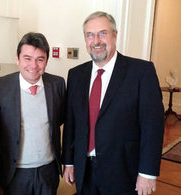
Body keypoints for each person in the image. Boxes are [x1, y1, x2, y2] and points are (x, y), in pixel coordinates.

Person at [62, 11, 164, 195]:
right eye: (90, 35)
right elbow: (71, 124)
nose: (96, 41)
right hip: (84, 170)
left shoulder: (141, 72)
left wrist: (147, 172)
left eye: (103, 33)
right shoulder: (76, 75)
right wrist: (69, 162)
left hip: (124, 172)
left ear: (115, 35)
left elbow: (153, 126)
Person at [0, 32, 66, 195]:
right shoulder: (0, 87)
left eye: (40, 59)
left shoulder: (57, 84)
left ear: (46, 61)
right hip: (15, 173)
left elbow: (60, 119)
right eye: (27, 58)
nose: (33, 65)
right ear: (17, 59)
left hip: (48, 171)